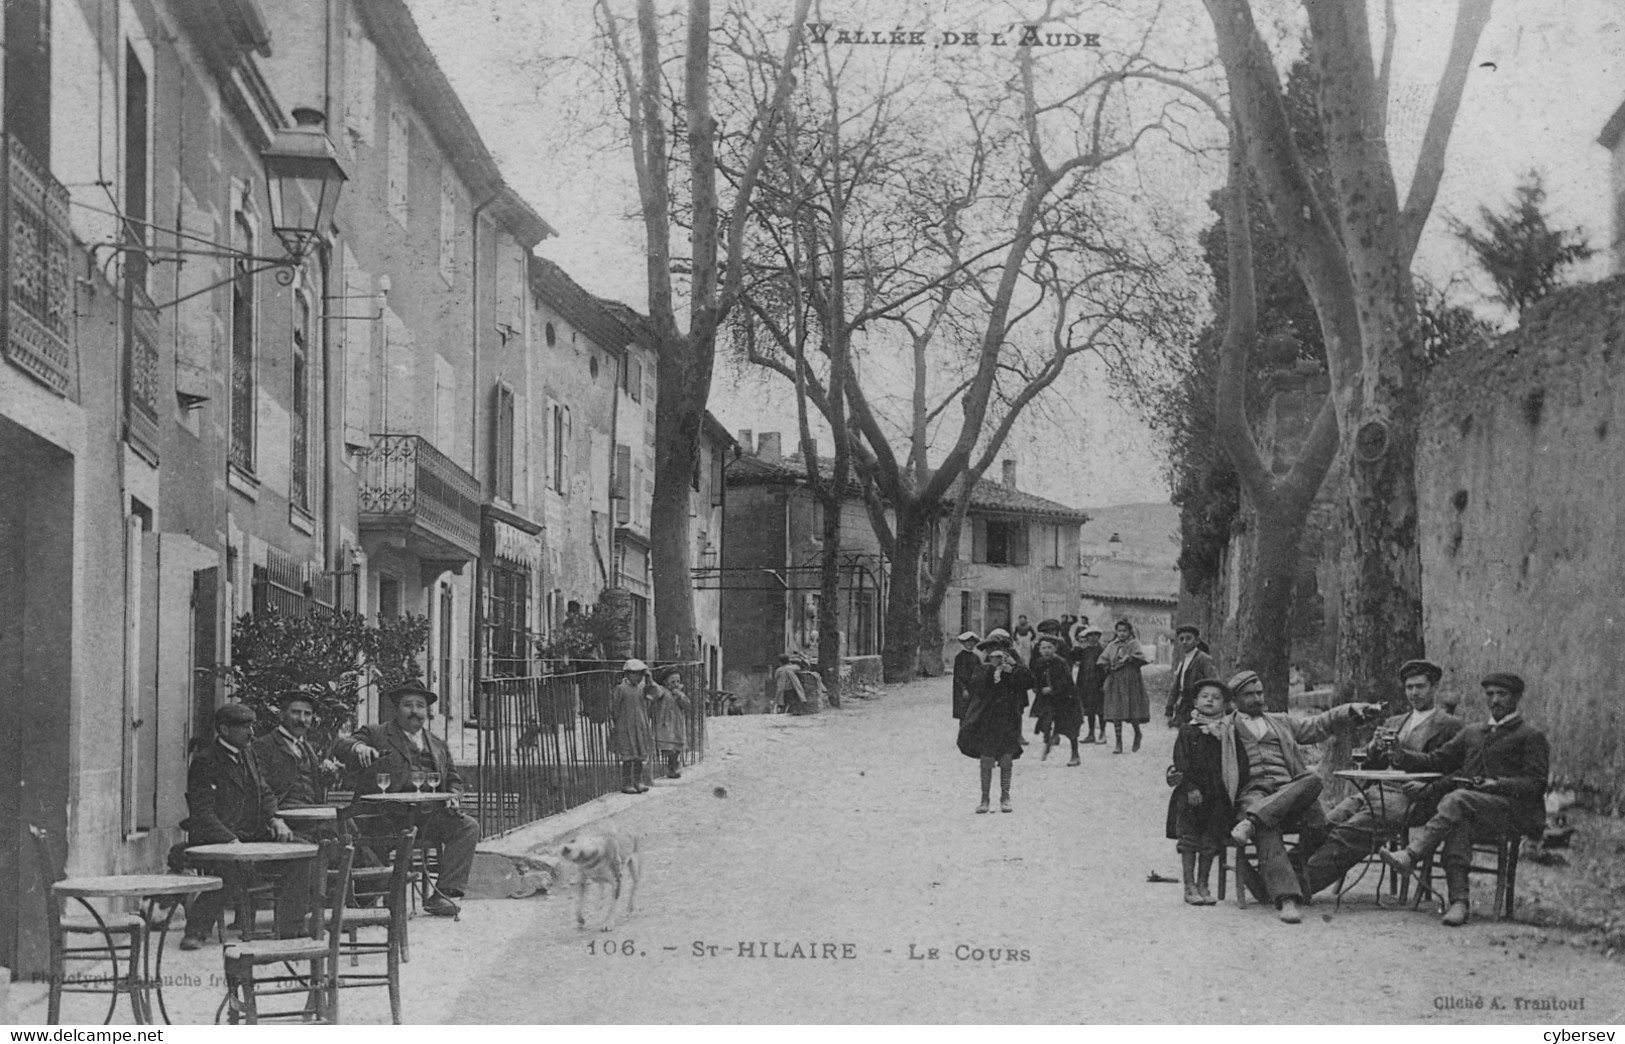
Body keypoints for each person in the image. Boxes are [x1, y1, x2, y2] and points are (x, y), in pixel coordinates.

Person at [1381, 672, 1550, 927]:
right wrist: (1400, 755)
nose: (1494, 700)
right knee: (1458, 823)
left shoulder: (1530, 735)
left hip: (1511, 813)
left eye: (1501, 694)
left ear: (1516, 698)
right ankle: (1459, 903)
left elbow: (1537, 784)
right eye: (1490, 694)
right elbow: (1436, 760)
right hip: (1474, 811)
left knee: (1457, 799)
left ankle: (1412, 854)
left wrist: (1499, 784)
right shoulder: (1474, 732)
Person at [1221, 670, 1384, 924]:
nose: (1257, 699)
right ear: (1234, 700)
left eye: (1259, 693)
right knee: (1267, 824)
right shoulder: (1225, 728)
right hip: (1252, 794)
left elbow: (1319, 724)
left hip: (1290, 791)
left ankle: (1252, 825)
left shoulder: (1281, 721)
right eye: (1249, 695)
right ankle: (1287, 900)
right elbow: (1197, 747)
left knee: (1313, 780)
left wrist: (1350, 710)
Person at [1301, 659, 1464, 896]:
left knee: (1350, 833)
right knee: (1329, 823)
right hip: (1377, 791)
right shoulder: (1396, 722)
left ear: (1434, 687)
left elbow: (1458, 773)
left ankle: (1302, 885)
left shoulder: (1450, 726)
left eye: (1420, 687)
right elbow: (1372, 764)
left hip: (1415, 799)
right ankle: (1282, 875)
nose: (1414, 693)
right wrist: (1374, 748)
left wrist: (1427, 788)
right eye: (1409, 688)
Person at [334, 682, 481, 917]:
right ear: (396, 709)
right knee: (369, 874)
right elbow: (342, 745)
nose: (414, 711)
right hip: (383, 816)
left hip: (427, 817)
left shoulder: (437, 744)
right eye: (408, 705)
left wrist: (454, 795)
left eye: (420, 706)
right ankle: (368, 896)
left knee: (467, 827)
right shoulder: (377, 733)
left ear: (427, 711)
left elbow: (454, 779)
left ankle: (443, 895)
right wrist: (358, 748)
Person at [178, 703, 296, 950]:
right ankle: (196, 929)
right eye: (244, 727)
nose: (252, 732)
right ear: (224, 729)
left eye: (252, 726)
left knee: (299, 850)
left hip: (249, 834)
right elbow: (203, 813)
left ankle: (290, 926)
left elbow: (263, 791)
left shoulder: (248, 754)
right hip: (215, 837)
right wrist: (230, 841)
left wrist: (276, 819)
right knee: (231, 867)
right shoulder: (205, 761)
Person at [1165, 679, 1233, 905]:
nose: (1210, 700)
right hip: (1192, 795)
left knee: (1210, 839)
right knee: (1190, 839)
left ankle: (1204, 884)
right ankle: (1189, 885)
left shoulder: (1227, 732)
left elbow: (1235, 761)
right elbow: (1181, 759)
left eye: (1216, 697)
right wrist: (1191, 787)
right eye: (1205, 696)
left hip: (1216, 795)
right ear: (1195, 701)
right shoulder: (1188, 730)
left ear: (1224, 704)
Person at [956, 637, 1033, 813]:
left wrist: (1015, 668)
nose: (996, 655)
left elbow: (1029, 682)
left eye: (1000, 651)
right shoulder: (982, 670)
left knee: (1006, 759)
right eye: (992, 652)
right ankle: (985, 798)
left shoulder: (1013, 670)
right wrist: (993, 673)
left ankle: (1005, 796)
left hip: (1008, 720)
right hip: (987, 721)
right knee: (987, 759)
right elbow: (975, 686)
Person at [251, 688, 339, 811]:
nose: (302, 719)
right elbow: (259, 789)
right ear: (281, 715)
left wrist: (328, 775)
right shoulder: (264, 746)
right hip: (282, 815)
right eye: (296, 712)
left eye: (307, 714)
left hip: (310, 811)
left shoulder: (307, 747)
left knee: (346, 818)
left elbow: (315, 786)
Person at [601, 659, 658, 793]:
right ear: (627, 674)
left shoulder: (642, 687)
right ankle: (627, 783)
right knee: (628, 756)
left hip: (640, 725)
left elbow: (654, 694)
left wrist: (649, 679)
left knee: (639, 755)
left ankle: (638, 781)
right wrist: (615, 723)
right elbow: (614, 706)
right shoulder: (621, 688)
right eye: (635, 674)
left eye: (640, 674)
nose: (638, 677)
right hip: (626, 726)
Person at [1030, 633, 1083, 765]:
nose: (1046, 650)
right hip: (1048, 699)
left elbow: (1066, 681)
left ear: (1055, 649)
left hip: (1065, 699)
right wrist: (1037, 689)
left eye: (1049, 647)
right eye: (1043, 648)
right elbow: (1035, 679)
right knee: (1045, 721)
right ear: (1039, 650)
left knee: (1070, 727)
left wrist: (1053, 689)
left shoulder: (1061, 663)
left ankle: (1075, 754)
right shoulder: (1039, 663)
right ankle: (1047, 742)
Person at [1099, 619, 1150, 753]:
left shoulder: (1134, 644)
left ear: (1130, 632)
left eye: (1125, 631)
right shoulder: (1112, 645)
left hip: (1130, 680)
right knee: (1116, 710)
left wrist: (1130, 658)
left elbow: (1142, 658)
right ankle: (1118, 742)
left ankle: (1137, 733)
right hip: (1115, 680)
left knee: (1132, 709)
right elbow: (1103, 660)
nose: (1122, 634)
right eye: (1119, 631)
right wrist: (1108, 666)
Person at [1164, 625, 1216, 727]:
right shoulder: (1184, 660)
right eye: (1181, 639)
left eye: (1188, 638)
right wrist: (1169, 709)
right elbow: (1176, 686)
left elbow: (1213, 681)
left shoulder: (1203, 659)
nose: (1184, 642)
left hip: (1199, 706)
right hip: (1184, 706)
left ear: (1197, 640)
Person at [651, 667, 692, 779]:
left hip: (677, 724)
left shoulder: (680, 694)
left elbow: (687, 705)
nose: (675, 684)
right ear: (665, 682)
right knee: (668, 747)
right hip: (665, 723)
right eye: (672, 682)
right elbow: (655, 692)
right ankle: (672, 765)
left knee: (677, 746)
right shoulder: (663, 691)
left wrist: (679, 695)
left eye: (678, 681)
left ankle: (673, 765)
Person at [1070, 625, 1106, 744]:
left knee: (1100, 709)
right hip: (1086, 683)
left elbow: (1105, 668)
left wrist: (1104, 683)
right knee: (1089, 709)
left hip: (1098, 683)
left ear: (1099, 637)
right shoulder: (1084, 651)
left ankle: (1102, 732)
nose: (1092, 638)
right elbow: (1078, 663)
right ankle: (1091, 733)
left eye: (1095, 635)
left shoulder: (1102, 650)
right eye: (1090, 636)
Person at [951, 631, 982, 720]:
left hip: (974, 689)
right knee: (964, 715)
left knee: (975, 715)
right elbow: (958, 676)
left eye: (972, 642)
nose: (970, 644)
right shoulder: (960, 657)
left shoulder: (976, 657)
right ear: (963, 643)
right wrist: (963, 689)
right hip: (964, 690)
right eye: (967, 641)